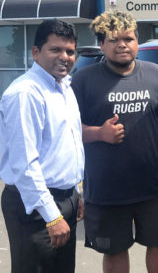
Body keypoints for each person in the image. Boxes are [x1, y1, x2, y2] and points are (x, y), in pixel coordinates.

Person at [71, 10, 158, 273]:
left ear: (137, 42)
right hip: (107, 189)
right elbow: (68, 131)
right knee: (114, 250)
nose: (122, 44)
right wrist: (99, 133)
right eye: (113, 40)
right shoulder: (83, 80)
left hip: (155, 186)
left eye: (128, 38)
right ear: (101, 45)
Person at [0, 19, 85, 273]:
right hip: (36, 206)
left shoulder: (64, 87)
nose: (65, 57)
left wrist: (75, 192)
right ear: (36, 52)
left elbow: (66, 147)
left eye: (70, 51)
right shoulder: (26, 93)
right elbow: (25, 163)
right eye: (55, 49)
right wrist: (52, 215)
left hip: (64, 198)